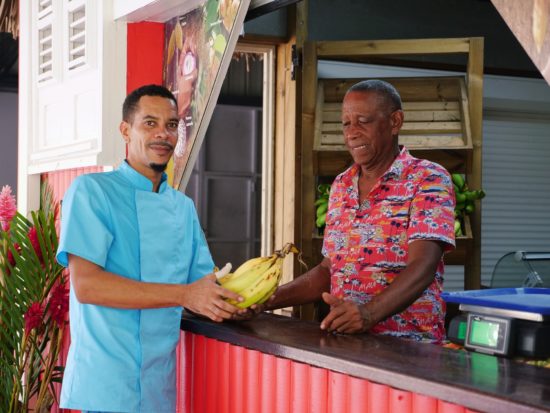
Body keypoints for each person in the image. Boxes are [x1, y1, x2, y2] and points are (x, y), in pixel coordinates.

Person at [56, 84, 243, 413]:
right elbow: (87, 286)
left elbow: (205, 286)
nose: (163, 135)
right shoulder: (92, 192)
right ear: (125, 130)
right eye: (150, 123)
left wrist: (244, 302)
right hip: (105, 387)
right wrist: (184, 295)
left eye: (171, 125)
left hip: (158, 389)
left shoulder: (182, 209)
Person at [249, 79, 455, 343]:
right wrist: (264, 300)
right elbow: (328, 270)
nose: (351, 132)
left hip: (410, 348)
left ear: (395, 121)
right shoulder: (341, 185)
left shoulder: (428, 178)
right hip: (348, 344)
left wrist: (368, 314)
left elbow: (423, 265)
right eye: (346, 123)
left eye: (363, 121)